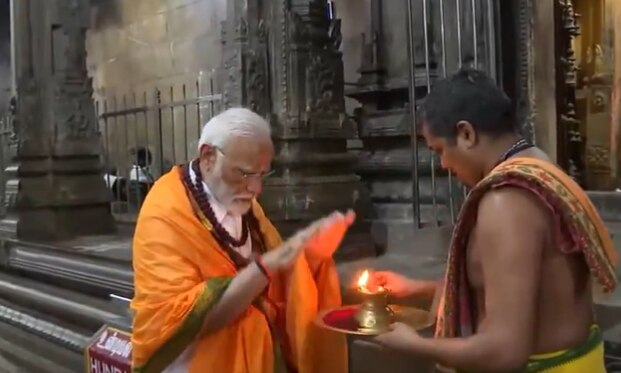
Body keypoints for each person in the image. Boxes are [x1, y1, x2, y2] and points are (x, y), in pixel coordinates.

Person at [373, 68, 618, 372]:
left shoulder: (505, 201)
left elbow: (505, 350)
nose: (444, 164)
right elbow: (521, 286)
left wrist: (413, 344)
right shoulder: (538, 165)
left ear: (466, 134)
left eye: (439, 150)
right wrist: (417, 288)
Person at [131, 107, 354, 373]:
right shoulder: (165, 212)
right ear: (208, 157)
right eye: (245, 173)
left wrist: (311, 256)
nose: (256, 188)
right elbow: (188, 321)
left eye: (262, 174)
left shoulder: (246, 205)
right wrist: (265, 267)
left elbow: (277, 281)